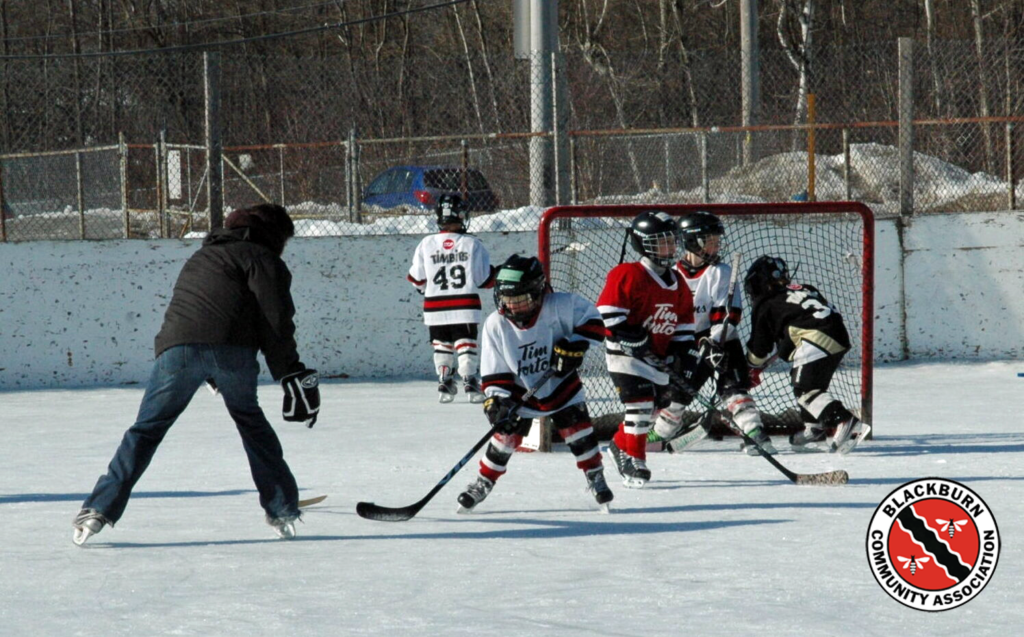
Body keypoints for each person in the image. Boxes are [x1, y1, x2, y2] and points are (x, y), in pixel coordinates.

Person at [72, 204, 321, 545]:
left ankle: (98, 509)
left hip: (176, 349)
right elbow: (275, 320)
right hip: (232, 353)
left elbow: (193, 312)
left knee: (145, 430)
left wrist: (191, 361)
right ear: (274, 235)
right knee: (251, 424)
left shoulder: (201, 258)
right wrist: (288, 371)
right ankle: (281, 509)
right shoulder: (263, 259)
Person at [457, 254, 613, 511]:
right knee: (503, 440)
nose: (513, 307)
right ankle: (484, 481)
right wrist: (496, 402)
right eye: (507, 300)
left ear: (538, 292)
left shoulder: (562, 305)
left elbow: (596, 323)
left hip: (562, 387)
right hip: (520, 393)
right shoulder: (496, 325)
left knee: (580, 433)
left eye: (520, 300)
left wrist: (575, 345)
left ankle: (595, 475)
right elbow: (495, 374)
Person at [652, 211, 777, 455]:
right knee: (677, 394)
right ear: (691, 241)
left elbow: (729, 315)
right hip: (687, 343)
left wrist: (714, 340)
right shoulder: (671, 274)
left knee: (733, 389)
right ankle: (663, 433)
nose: (716, 245)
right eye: (710, 240)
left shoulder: (721, 271)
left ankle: (755, 434)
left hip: (721, 342)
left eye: (717, 240)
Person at [596, 211, 696, 488]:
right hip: (625, 356)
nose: (669, 248)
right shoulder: (627, 273)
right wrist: (632, 337)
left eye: (671, 241)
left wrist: (684, 354)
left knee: (654, 410)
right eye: (661, 242)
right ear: (643, 244)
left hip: (657, 357)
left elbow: (684, 324)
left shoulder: (678, 281)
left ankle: (618, 446)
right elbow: (608, 316)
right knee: (639, 406)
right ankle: (636, 460)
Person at [742, 255, 870, 454]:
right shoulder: (806, 288)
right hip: (838, 336)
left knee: (805, 390)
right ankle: (814, 429)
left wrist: (751, 367)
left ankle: (845, 420)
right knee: (810, 384)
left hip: (814, 339)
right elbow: (803, 315)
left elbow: (760, 347)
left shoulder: (765, 303)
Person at [407, 194, 494, 403]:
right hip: (465, 305)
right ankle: (470, 381)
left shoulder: (426, 244)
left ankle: (444, 381)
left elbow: (416, 279)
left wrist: (424, 288)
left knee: (442, 345)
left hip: (435, 307)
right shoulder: (472, 243)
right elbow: (484, 280)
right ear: (461, 215)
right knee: (466, 344)